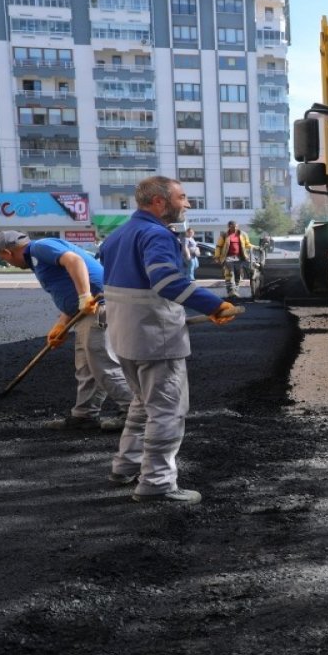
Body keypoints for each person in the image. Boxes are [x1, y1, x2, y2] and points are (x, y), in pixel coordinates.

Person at [100, 176, 240, 504]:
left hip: (123, 337)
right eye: (182, 197)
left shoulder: (118, 235)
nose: (187, 204)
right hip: (154, 338)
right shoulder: (156, 234)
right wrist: (215, 304)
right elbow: (166, 281)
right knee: (167, 409)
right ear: (159, 202)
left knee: (141, 404)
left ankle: (125, 466)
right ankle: (158, 482)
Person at [0, 230, 133, 432]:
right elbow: (67, 290)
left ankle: (135, 413)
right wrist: (61, 323)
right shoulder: (38, 258)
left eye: (4, 259)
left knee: (100, 357)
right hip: (89, 310)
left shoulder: (39, 248)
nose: (8, 264)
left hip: (100, 306)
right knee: (85, 364)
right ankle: (84, 415)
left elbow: (74, 261)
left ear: (6, 252)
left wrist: (85, 296)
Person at [213, 220, 253, 298]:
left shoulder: (243, 234)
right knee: (230, 274)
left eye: (236, 227)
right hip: (228, 258)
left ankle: (235, 291)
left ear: (238, 226)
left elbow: (247, 244)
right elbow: (218, 246)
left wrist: (255, 247)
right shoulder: (224, 235)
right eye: (232, 227)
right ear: (229, 227)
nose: (234, 228)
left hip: (239, 258)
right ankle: (231, 291)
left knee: (238, 275)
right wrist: (217, 257)